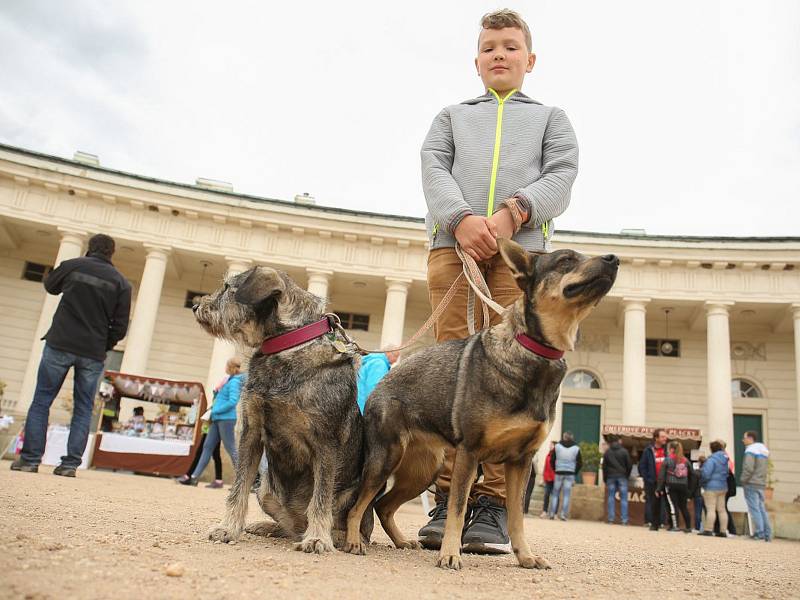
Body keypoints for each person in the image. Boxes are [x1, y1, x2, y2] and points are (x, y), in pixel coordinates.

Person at [417, 8, 578, 554]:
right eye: (489, 48)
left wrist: (513, 213)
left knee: (511, 373)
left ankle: (490, 508)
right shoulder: (451, 116)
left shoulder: (552, 117)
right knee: (448, 369)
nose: (500, 55)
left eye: (510, 47)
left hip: (522, 257)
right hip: (452, 249)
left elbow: (561, 175)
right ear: (476, 61)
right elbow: (433, 169)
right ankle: (445, 499)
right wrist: (461, 219)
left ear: (529, 60)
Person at [11, 234, 131, 477]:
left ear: (90, 248)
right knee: (84, 408)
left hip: (60, 342)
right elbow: (120, 326)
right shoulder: (121, 283)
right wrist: (103, 344)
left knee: (42, 400)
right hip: (93, 352)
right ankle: (70, 464)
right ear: (111, 253)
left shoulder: (74, 266)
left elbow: (50, 286)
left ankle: (30, 459)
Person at [179, 358, 244, 486]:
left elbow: (233, 401)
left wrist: (216, 410)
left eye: (226, 365)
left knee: (231, 448)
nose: (225, 367)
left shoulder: (234, 382)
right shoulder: (229, 380)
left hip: (226, 419)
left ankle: (243, 481)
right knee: (207, 447)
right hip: (217, 418)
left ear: (230, 367)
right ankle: (194, 477)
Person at [740, 431, 773, 542]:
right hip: (761, 483)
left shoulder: (750, 450)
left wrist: (743, 480)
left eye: (744, 438)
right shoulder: (763, 450)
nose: (742, 440)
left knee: (754, 508)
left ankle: (759, 533)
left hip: (751, 483)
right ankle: (767, 534)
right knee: (761, 509)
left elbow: (748, 468)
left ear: (750, 438)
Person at [658, 441, 693, 533]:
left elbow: (662, 475)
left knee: (673, 506)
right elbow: (692, 474)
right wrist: (690, 488)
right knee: (683, 507)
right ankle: (688, 527)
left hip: (671, 485)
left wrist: (659, 488)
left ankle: (675, 526)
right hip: (683, 486)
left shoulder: (668, 460)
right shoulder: (685, 460)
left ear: (671, 449)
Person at [638, 428, 669, 530]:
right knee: (650, 501)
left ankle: (662, 522)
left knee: (663, 502)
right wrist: (646, 477)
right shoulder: (648, 450)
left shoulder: (667, 450)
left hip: (664, 481)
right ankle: (649, 521)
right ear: (656, 438)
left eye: (665, 436)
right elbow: (642, 465)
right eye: (663, 437)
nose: (665, 438)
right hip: (651, 481)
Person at [548, 432, 582, 521]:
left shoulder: (557, 447)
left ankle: (552, 513)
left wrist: (555, 469)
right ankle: (563, 515)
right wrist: (575, 472)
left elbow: (552, 460)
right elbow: (580, 463)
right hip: (570, 473)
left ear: (564, 437)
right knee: (566, 494)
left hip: (559, 472)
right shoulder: (576, 448)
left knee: (555, 493)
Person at [699, 440, 730, 537]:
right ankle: (723, 531)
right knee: (722, 509)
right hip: (723, 486)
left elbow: (706, 474)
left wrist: (702, 483)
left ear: (711, 449)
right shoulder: (725, 459)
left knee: (711, 509)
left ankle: (708, 529)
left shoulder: (711, 460)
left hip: (711, 487)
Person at [356, 349, 399, 414]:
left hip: (358, 403)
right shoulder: (379, 364)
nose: (396, 360)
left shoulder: (371, 360)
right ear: (388, 352)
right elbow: (374, 388)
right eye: (395, 356)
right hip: (364, 408)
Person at [602, 435, 632, 525]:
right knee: (623, 498)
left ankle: (611, 519)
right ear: (619, 441)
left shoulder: (607, 452)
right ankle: (624, 520)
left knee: (611, 497)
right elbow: (629, 465)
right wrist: (626, 475)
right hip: (622, 476)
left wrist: (605, 478)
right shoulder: (624, 451)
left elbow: (604, 467)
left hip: (610, 476)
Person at [539, 441, 557, 518]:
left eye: (551, 445)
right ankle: (545, 511)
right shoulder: (548, 455)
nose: (550, 446)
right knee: (546, 495)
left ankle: (554, 513)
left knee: (555, 496)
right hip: (547, 478)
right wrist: (543, 478)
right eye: (550, 445)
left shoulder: (557, 455)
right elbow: (545, 467)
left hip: (555, 478)